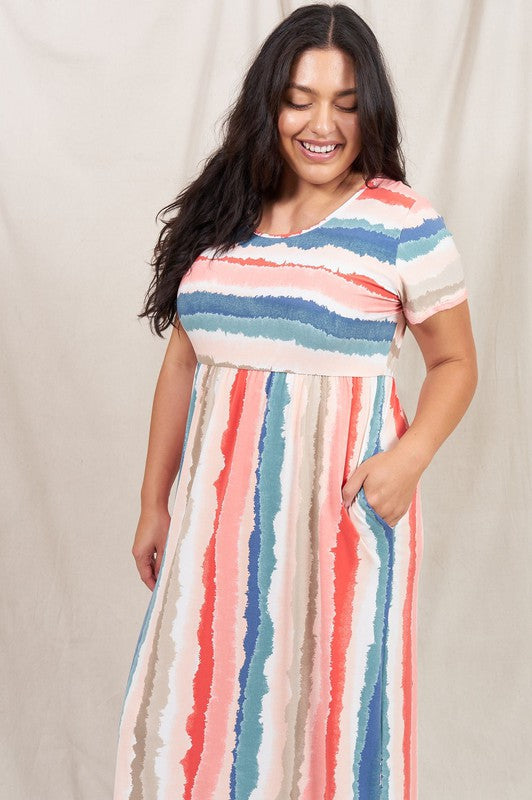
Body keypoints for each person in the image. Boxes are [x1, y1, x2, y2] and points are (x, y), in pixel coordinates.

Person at [112, 4, 477, 798]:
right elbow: (183, 361)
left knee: (328, 726)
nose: (323, 123)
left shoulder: (400, 221)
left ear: (369, 111)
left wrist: (406, 463)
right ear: (269, 102)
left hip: (336, 520)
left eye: (346, 102)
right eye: (301, 98)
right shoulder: (224, 215)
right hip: (213, 527)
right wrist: (154, 502)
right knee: (196, 716)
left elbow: (455, 362)